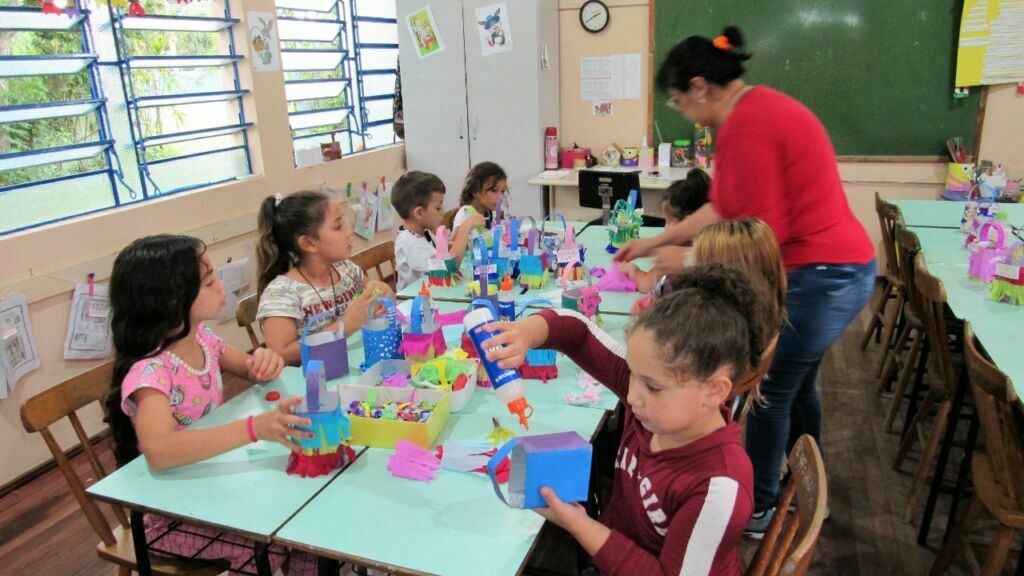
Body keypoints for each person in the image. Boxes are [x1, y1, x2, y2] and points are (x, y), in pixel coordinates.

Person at [615, 26, 875, 536]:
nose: (683, 112)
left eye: (678, 102)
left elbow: (760, 235)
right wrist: (654, 241)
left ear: (698, 87)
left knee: (771, 390)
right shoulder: (748, 115)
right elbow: (722, 207)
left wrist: (687, 261)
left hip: (824, 274)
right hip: (835, 269)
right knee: (797, 386)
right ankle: (806, 490)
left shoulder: (749, 122)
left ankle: (760, 506)